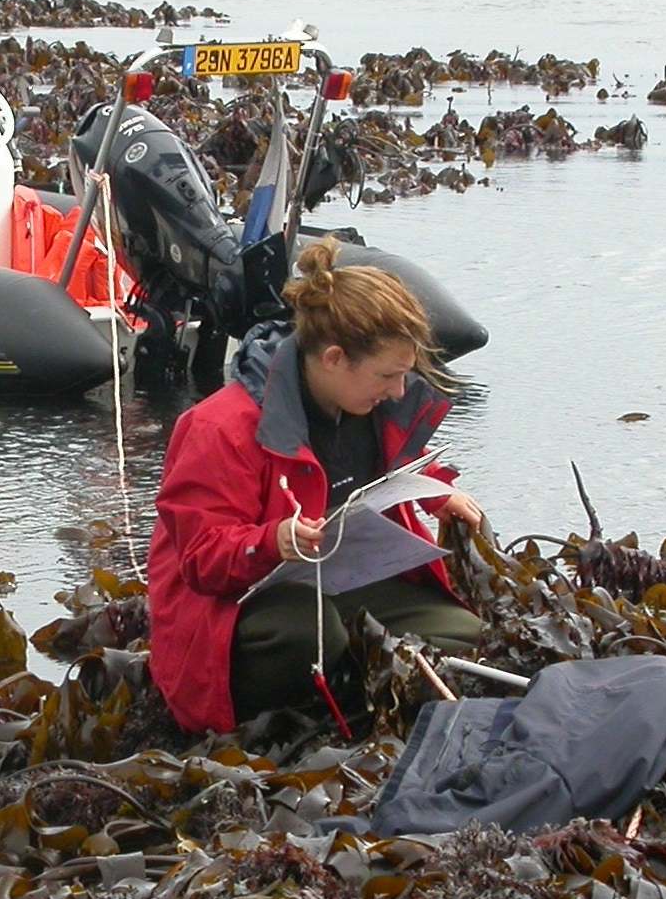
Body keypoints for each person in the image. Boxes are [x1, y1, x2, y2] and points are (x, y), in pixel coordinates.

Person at [147, 239, 485, 734]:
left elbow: (383, 473)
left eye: (405, 374)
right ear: (332, 358)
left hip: (339, 580)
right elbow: (200, 559)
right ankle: (286, 721)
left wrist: (433, 491)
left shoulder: (370, 403)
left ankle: (356, 696)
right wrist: (273, 541)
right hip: (230, 611)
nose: (398, 390)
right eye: (388, 375)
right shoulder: (218, 428)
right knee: (314, 635)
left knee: (462, 635)